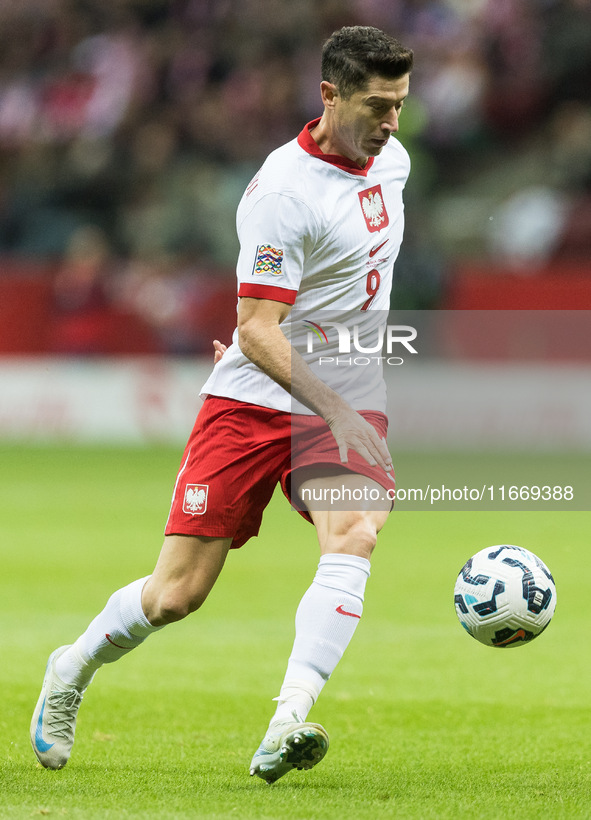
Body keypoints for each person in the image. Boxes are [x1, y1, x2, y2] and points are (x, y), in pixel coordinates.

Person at [31, 25, 413, 784]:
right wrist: (280, 372)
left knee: (355, 536)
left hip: (345, 389)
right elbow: (255, 328)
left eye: (400, 104)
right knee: (177, 594)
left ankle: (287, 720)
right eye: (376, 105)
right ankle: (70, 669)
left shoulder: (391, 159)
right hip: (255, 398)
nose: (392, 123)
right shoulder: (281, 193)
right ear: (328, 95)